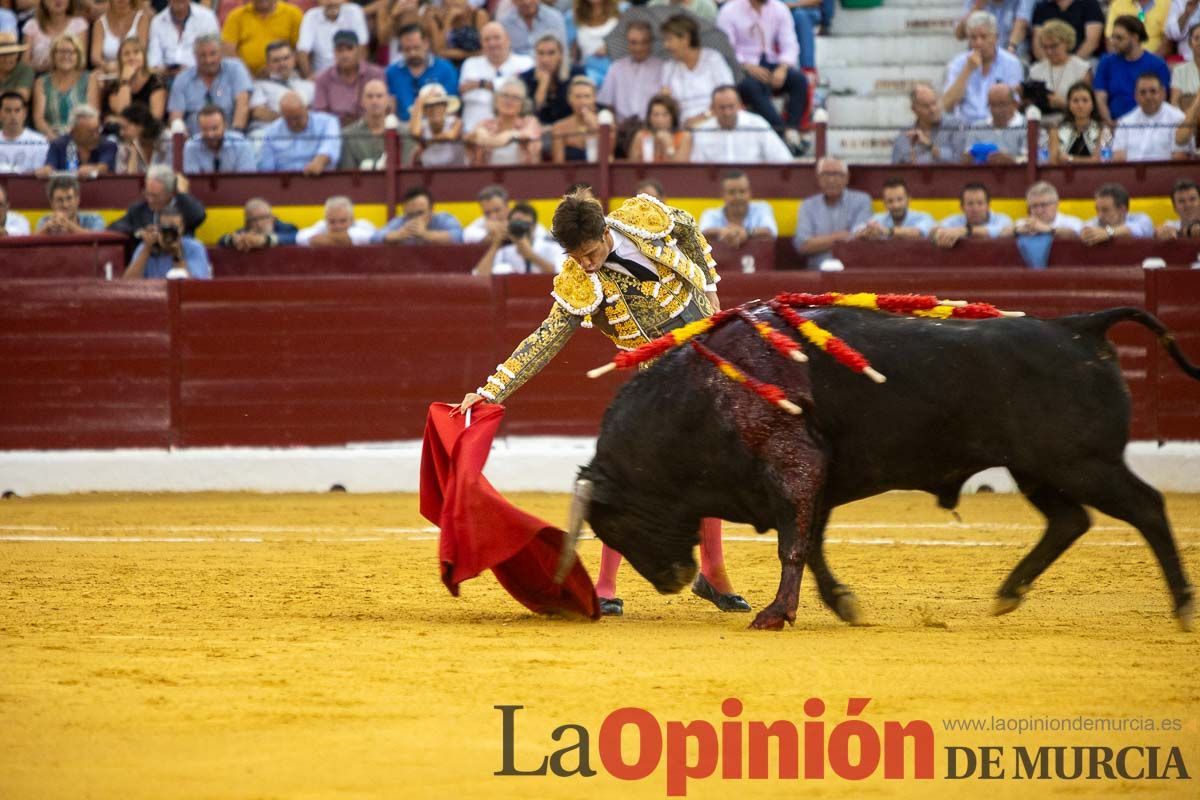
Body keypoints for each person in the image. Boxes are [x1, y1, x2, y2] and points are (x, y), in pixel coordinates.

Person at [454, 193, 748, 616]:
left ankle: (715, 573)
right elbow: (544, 341)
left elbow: (686, 228)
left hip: (709, 349)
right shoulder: (579, 279)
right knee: (634, 471)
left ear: (606, 233)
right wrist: (489, 392)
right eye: (578, 257)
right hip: (661, 374)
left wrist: (710, 287)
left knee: (712, 459)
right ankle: (607, 585)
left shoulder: (644, 217)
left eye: (591, 253)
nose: (587, 264)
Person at [717, 0, 808, 153]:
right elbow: (726, 48)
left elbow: (790, 43)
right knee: (750, 87)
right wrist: (747, 66)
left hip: (771, 62)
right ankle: (782, 134)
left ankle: (792, 129)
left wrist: (783, 67)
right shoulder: (729, 11)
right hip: (741, 65)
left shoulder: (779, 9)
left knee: (799, 80)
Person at [942, 10, 1025, 124]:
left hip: (999, 126)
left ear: (996, 38)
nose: (978, 42)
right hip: (965, 128)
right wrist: (967, 70)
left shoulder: (1011, 63)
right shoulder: (958, 63)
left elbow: (1014, 103)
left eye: (983, 37)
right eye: (973, 37)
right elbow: (947, 105)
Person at [792, 157, 873, 268]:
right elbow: (802, 245)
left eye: (836, 174)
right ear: (818, 178)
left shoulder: (861, 201)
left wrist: (819, 242)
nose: (831, 180)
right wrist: (841, 237)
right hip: (817, 275)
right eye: (826, 174)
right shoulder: (808, 205)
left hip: (852, 272)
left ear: (847, 178)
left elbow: (861, 238)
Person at [168, 33, 252, 134]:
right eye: (203, 55)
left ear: (221, 53)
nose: (208, 60)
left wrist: (235, 136)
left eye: (213, 54)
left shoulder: (235, 69)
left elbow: (242, 105)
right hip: (194, 139)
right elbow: (176, 118)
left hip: (229, 135)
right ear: (195, 57)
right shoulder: (182, 79)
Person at [659, 13, 733, 128]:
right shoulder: (668, 68)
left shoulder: (713, 59)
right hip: (682, 127)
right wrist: (665, 100)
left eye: (669, 39)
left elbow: (729, 95)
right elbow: (666, 108)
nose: (666, 45)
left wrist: (704, 117)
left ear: (685, 38)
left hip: (714, 121)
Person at [1094, 15, 1171, 125]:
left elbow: (1161, 100)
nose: (1113, 42)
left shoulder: (1157, 64)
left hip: (1147, 125)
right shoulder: (1106, 62)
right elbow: (1100, 97)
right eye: (1113, 37)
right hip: (1113, 124)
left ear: (1135, 38)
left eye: (1119, 38)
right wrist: (1109, 122)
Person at [458, 22, 532, 132]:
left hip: (514, 132)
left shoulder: (526, 63)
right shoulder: (470, 64)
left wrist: (480, 84)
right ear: (481, 43)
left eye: (497, 38)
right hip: (474, 131)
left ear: (508, 39)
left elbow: (524, 94)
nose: (492, 43)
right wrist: (505, 85)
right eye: (487, 40)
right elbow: (464, 91)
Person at [690, 84, 792, 163]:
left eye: (731, 107)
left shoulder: (757, 125)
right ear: (712, 108)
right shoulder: (703, 132)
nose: (727, 112)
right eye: (722, 108)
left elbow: (783, 159)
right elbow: (697, 169)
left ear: (739, 105)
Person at [596, 20, 663, 138]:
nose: (639, 47)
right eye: (634, 42)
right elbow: (607, 103)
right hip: (622, 129)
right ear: (627, 43)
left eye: (644, 42)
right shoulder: (616, 67)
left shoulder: (662, 67)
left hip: (652, 129)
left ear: (651, 43)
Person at [385, 23, 458, 124]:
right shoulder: (391, 73)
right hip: (404, 131)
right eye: (407, 49)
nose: (412, 53)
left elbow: (452, 108)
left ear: (426, 43)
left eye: (416, 48)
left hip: (437, 130)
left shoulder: (445, 69)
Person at [109, 163, 207, 236]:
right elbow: (114, 227)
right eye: (147, 194)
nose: (150, 200)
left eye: (155, 196)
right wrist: (140, 231)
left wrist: (182, 193)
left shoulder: (183, 208)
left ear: (171, 193)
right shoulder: (138, 209)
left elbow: (199, 215)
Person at [311, 30, 385, 125]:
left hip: (369, 131)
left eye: (349, 49)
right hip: (336, 133)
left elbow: (383, 107)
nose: (345, 55)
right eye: (340, 50)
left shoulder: (375, 74)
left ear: (358, 50)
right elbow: (321, 117)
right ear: (334, 52)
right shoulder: (323, 79)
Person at [1111, 72, 1189, 161]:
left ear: (1163, 93)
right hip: (1131, 173)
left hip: (1166, 173)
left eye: (1153, 91)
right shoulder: (1125, 122)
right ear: (1136, 96)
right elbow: (1118, 158)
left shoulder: (1178, 119)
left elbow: (1179, 158)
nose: (1148, 96)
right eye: (1143, 92)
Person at [93, 37, 166, 132]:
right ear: (120, 59)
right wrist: (125, 81)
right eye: (126, 54)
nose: (131, 57)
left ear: (143, 56)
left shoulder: (156, 81)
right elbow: (122, 111)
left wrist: (122, 121)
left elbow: (155, 119)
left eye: (136, 52)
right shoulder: (114, 85)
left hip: (148, 132)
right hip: (122, 133)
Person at [122, 202, 212, 279]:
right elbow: (128, 284)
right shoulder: (146, 246)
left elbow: (194, 286)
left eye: (174, 228)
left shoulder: (194, 247)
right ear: (158, 228)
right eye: (165, 228)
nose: (169, 234)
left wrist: (178, 255)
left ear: (182, 228)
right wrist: (147, 249)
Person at [472, 200, 564, 275]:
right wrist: (496, 245)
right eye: (516, 224)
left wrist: (531, 255)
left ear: (534, 226)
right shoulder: (504, 252)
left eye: (525, 224)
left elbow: (562, 275)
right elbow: (478, 275)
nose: (520, 229)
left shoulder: (552, 248)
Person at [1026, 19, 1090, 125]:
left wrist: (1065, 104)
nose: (1049, 51)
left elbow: (1088, 105)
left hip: (1072, 122)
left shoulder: (1082, 69)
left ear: (1066, 43)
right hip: (1041, 122)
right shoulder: (1035, 70)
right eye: (1045, 47)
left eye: (1054, 46)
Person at [258, 90, 340, 173]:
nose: (293, 123)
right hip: (285, 182)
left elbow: (330, 145)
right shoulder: (271, 131)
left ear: (307, 109)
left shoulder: (328, 122)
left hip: (319, 179)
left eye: (297, 118)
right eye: (288, 119)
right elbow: (267, 169)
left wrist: (319, 161)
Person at [464, 76, 540, 164]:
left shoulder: (529, 122)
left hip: (523, 175)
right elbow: (469, 139)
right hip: (489, 175)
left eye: (515, 98)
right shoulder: (485, 124)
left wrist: (511, 135)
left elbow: (529, 136)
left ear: (523, 104)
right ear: (496, 100)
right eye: (505, 96)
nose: (509, 101)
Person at [220, 0, 303, 77]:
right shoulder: (236, 16)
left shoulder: (293, 14)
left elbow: (301, 51)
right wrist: (248, 75)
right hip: (246, 77)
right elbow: (228, 52)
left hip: (285, 74)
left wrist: (276, 67)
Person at [31, 32, 89, 139]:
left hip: (82, 137)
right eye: (61, 51)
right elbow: (39, 119)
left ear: (79, 55)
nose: (66, 56)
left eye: (71, 52)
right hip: (51, 137)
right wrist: (54, 138)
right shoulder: (41, 82)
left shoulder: (89, 79)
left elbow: (92, 113)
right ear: (53, 55)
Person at [892, 82, 967, 164]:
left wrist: (929, 146)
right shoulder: (905, 134)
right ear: (914, 109)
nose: (933, 109)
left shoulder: (955, 125)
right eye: (926, 106)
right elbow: (896, 170)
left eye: (934, 103)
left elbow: (959, 160)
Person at [248, 40, 315, 132]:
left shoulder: (308, 86)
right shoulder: (259, 86)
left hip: (304, 132)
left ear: (294, 59)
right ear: (268, 65)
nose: (282, 64)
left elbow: (317, 111)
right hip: (270, 132)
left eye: (286, 58)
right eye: (276, 60)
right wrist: (291, 120)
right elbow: (258, 112)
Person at [699, 169, 776, 248]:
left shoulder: (762, 208)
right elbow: (701, 234)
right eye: (732, 192)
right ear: (722, 194)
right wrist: (722, 231)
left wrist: (747, 233)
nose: (738, 197)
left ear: (750, 193)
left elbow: (770, 231)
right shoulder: (711, 214)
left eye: (742, 191)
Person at [35, 103, 117, 177]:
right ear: (73, 132)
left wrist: (94, 169)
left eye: (97, 130)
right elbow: (50, 166)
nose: (96, 136)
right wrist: (46, 170)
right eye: (90, 132)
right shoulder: (58, 145)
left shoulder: (108, 145)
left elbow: (104, 167)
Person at [519, 33, 583, 126]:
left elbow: (581, 106)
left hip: (569, 129)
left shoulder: (575, 73)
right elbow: (528, 114)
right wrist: (542, 86)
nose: (545, 59)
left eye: (551, 53)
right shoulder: (526, 78)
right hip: (538, 130)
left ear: (560, 55)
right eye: (541, 53)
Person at [296, 0, 369, 77]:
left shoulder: (354, 12)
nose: (331, 2)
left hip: (351, 73)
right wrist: (309, 76)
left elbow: (362, 47)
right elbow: (302, 51)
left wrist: (359, 75)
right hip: (322, 76)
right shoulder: (311, 16)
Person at [549, 74, 612, 162]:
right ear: (569, 99)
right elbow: (558, 165)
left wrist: (595, 128)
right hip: (570, 174)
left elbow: (609, 157)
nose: (582, 102)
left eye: (587, 96)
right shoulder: (559, 128)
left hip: (599, 173)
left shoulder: (607, 124)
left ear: (594, 98)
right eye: (578, 97)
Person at [147, 0, 220, 75]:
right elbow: (153, 62)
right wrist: (166, 70)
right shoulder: (157, 22)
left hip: (199, 76)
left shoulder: (207, 17)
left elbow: (214, 56)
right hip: (166, 77)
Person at [931, 181, 1014, 248]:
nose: (975, 209)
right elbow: (934, 230)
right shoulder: (955, 220)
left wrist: (966, 231)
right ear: (962, 207)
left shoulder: (1003, 219)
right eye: (970, 204)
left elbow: (1002, 231)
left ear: (988, 206)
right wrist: (939, 232)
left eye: (980, 203)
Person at [372, 185, 463, 245]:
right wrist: (397, 235)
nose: (415, 218)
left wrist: (426, 234)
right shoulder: (400, 222)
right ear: (404, 211)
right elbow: (375, 237)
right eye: (410, 215)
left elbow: (459, 235)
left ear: (431, 210)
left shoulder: (443, 219)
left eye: (420, 213)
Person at [1047, 81, 1111, 163]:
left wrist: (1070, 159)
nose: (1080, 105)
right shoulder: (1056, 130)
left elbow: (1101, 160)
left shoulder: (1103, 130)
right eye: (1075, 101)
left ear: (1093, 105)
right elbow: (1053, 161)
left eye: (1085, 100)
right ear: (1069, 105)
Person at [852, 178, 935, 240]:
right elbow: (855, 232)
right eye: (890, 201)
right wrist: (866, 233)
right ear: (884, 203)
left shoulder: (924, 217)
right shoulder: (878, 219)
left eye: (900, 199)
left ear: (909, 199)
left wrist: (887, 231)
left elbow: (919, 233)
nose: (896, 205)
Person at [962, 84, 1027, 164]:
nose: (997, 110)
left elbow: (1033, 160)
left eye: (1002, 104)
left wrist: (1011, 161)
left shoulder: (1028, 127)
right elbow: (966, 160)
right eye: (993, 105)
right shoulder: (977, 127)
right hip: (982, 175)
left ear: (1015, 104)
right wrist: (968, 158)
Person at [21, 0, 88, 73]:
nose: (58, 1)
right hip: (38, 75)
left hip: (70, 76)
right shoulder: (31, 25)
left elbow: (82, 62)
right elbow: (24, 63)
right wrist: (39, 67)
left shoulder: (79, 24)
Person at [183, 104, 256, 172]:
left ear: (225, 125)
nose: (210, 134)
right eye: (205, 129)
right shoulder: (191, 147)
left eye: (214, 128)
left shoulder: (242, 145)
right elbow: (191, 182)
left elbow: (247, 181)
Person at [342, 78, 396, 169]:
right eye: (370, 96)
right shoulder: (348, 135)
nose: (374, 101)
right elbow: (348, 172)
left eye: (379, 96)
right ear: (362, 101)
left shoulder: (403, 131)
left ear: (387, 100)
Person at [407, 81, 465, 166]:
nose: (435, 109)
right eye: (429, 106)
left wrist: (427, 141)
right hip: (429, 175)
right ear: (424, 111)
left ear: (445, 107)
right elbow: (415, 133)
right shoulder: (423, 126)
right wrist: (419, 102)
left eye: (439, 104)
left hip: (455, 174)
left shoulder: (455, 122)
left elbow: (451, 136)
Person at [89, 0, 150, 76]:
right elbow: (95, 57)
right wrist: (107, 66)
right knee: (94, 76)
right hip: (110, 73)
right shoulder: (99, 23)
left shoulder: (142, 19)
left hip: (135, 70)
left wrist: (124, 66)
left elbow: (142, 50)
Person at [1079, 182, 1155, 244]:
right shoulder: (1094, 222)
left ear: (1122, 210)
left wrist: (1108, 232)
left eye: (1105, 210)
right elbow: (1084, 228)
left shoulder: (1142, 219)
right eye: (1097, 210)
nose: (1100, 216)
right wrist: (1085, 233)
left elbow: (1134, 229)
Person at [1030, 0, 1104, 62]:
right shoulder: (1041, 7)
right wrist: (1048, 65)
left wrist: (1070, 65)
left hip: (1082, 59)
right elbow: (1037, 43)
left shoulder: (1090, 4)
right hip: (1049, 63)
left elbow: (1092, 42)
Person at [955, 0, 1033, 56]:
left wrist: (1011, 47)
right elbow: (959, 35)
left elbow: (1021, 24)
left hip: (1014, 53)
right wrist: (977, 7)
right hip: (979, 54)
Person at [217, 196, 298, 249]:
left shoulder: (288, 228)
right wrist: (234, 240)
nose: (259, 223)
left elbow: (295, 238)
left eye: (265, 217)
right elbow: (221, 240)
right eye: (254, 220)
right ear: (248, 222)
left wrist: (265, 240)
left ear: (273, 217)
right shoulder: (246, 232)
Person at [628, 94, 691, 162]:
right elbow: (632, 166)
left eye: (665, 115)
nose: (659, 120)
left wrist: (669, 147)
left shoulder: (684, 136)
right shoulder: (641, 136)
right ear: (649, 117)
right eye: (655, 115)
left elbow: (681, 168)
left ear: (673, 117)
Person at [35, 173, 106, 233]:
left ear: (77, 199)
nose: (65, 205)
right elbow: (32, 244)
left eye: (69, 198)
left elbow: (97, 239)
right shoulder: (45, 221)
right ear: (51, 203)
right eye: (59, 200)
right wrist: (46, 229)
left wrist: (69, 226)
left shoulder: (94, 219)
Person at [296, 195, 376, 245]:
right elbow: (301, 237)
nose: (338, 226)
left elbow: (369, 237)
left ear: (352, 219)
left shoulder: (364, 225)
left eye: (343, 221)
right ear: (326, 220)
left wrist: (326, 238)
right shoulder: (322, 224)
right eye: (332, 221)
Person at [1012, 180, 1083, 237]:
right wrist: (1016, 231)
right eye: (1034, 206)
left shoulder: (1072, 222)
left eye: (1044, 205)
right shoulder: (1023, 223)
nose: (1039, 210)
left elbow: (1075, 234)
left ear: (1056, 204)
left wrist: (1048, 230)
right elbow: (1003, 233)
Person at [572, 0, 619, 85]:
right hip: (588, 75)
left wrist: (611, 46)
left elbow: (635, 41)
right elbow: (571, 55)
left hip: (616, 72)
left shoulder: (621, 11)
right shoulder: (573, 16)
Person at [0, 91, 49, 173]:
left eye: (17, 110)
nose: (13, 116)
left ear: (25, 113)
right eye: (8, 111)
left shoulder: (40, 142)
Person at [114, 101, 169, 174]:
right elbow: (126, 180)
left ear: (140, 125)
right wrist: (133, 152)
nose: (121, 133)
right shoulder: (124, 147)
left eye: (125, 128)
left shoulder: (166, 139)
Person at [429, 0, 487, 68]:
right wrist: (448, 21)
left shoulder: (478, 15)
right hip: (448, 66)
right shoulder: (435, 18)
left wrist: (452, 53)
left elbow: (484, 49)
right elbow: (439, 52)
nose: (455, 1)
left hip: (476, 65)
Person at [498, 0, 566, 58]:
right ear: (513, 1)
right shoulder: (504, 23)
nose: (526, 2)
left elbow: (563, 51)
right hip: (518, 69)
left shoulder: (554, 18)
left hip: (549, 66)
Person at [1105, 0, 1171, 55]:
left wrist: (1151, 62)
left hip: (1154, 60)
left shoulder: (1166, 3)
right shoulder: (1117, 4)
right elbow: (1110, 39)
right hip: (1123, 59)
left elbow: (1167, 42)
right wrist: (1119, 62)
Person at [790, 0, 837, 69]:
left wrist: (792, 5)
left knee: (801, 16)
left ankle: (808, 70)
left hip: (807, 11)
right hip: (779, 10)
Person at [1170, 23, 1200, 111]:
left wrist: (1189, 99)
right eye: (1196, 38)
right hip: (1187, 120)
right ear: (1190, 43)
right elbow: (1174, 104)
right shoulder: (1179, 70)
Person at [0, 33, 34, 102]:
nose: (7, 59)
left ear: (17, 54)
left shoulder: (25, 70)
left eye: (12, 53)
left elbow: (22, 96)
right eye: (2, 54)